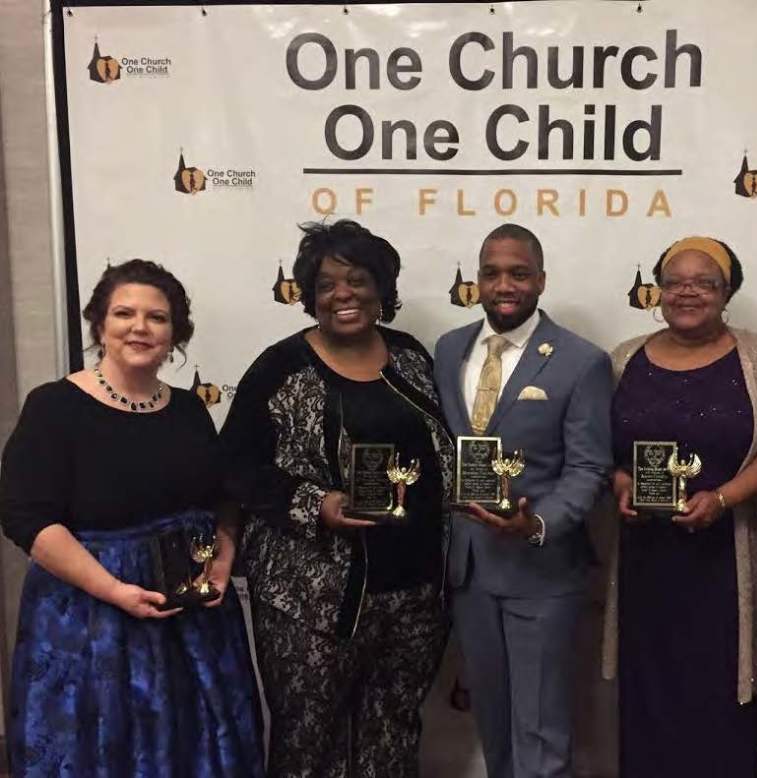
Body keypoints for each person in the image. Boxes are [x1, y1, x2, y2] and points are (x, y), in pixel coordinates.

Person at [0, 259, 263, 777]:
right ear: (100, 324)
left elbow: (220, 499)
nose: (140, 327)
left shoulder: (189, 409)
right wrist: (114, 590)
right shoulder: (54, 406)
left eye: (157, 317)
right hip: (92, 622)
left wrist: (223, 559)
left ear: (175, 333)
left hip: (192, 624)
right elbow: (27, 518)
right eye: (124, 313)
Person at [220, 219, 451, 777]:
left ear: (381, 288)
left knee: (392, 733)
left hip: (413, 595)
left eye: (357, 279)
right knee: (308, 739)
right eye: (326, 284)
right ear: (310, 296)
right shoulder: (280, 368)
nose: (343, 294)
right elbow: (234, 467)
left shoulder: (411, 357)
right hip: (313, 598)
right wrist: (315, 502)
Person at [601, 235, 757, 777]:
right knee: (649, 702)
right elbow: (599, 447)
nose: (688, 292)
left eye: (704, 282)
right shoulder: (625, 360)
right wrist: (620, 481)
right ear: (658, 292)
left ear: (727, 290)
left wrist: (724, 498)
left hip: (727, 568)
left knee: (722, 706)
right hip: (647, 563)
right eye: (675, 282)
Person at [434, 224, 613, 778]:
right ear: (477, 280)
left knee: (540, 728)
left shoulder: (580, 361)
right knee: (495, 722)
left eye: (518, 272)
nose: (503, 284)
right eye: (491, 272)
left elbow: (589, 468)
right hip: (467, 570)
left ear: (540, 280)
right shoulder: (448, 350)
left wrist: (536, 523)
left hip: (541, 568)